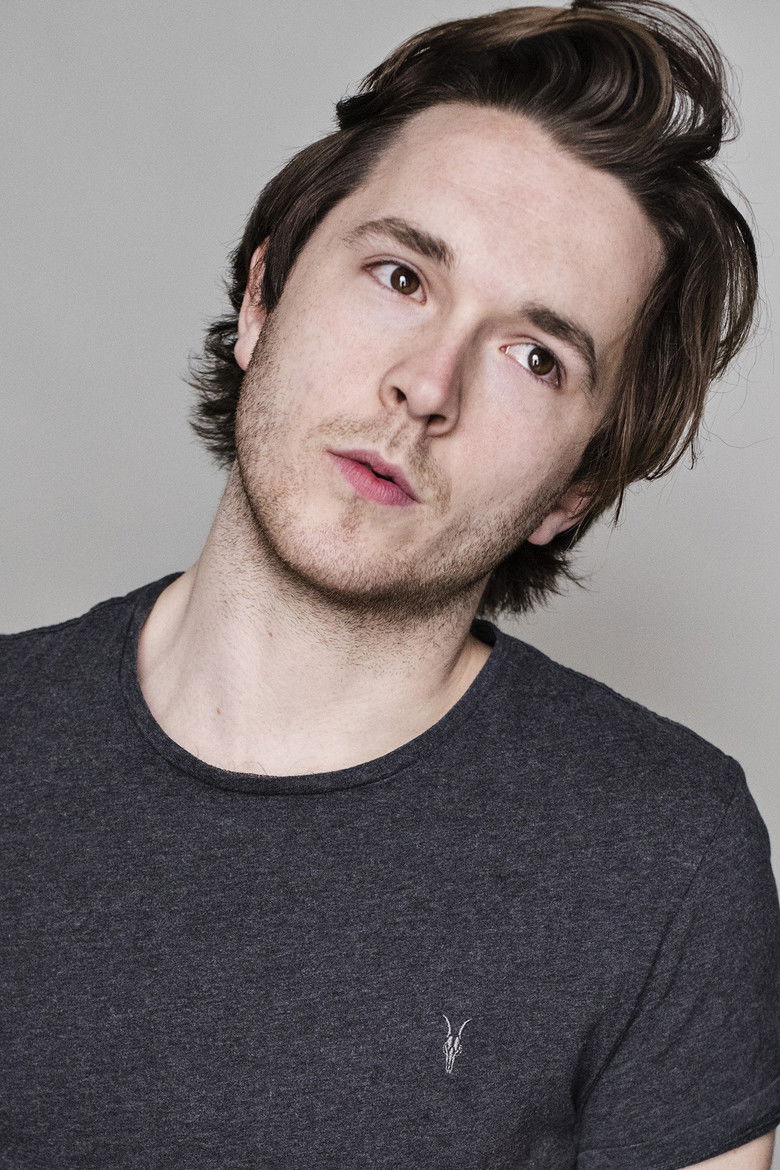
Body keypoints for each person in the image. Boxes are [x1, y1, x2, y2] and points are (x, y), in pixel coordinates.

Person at [2, 0, 778, 1166]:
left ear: (573, 490)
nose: (428, 385)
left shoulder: (669, 856)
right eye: (401, 275)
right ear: (262, 301)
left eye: (536, 357)